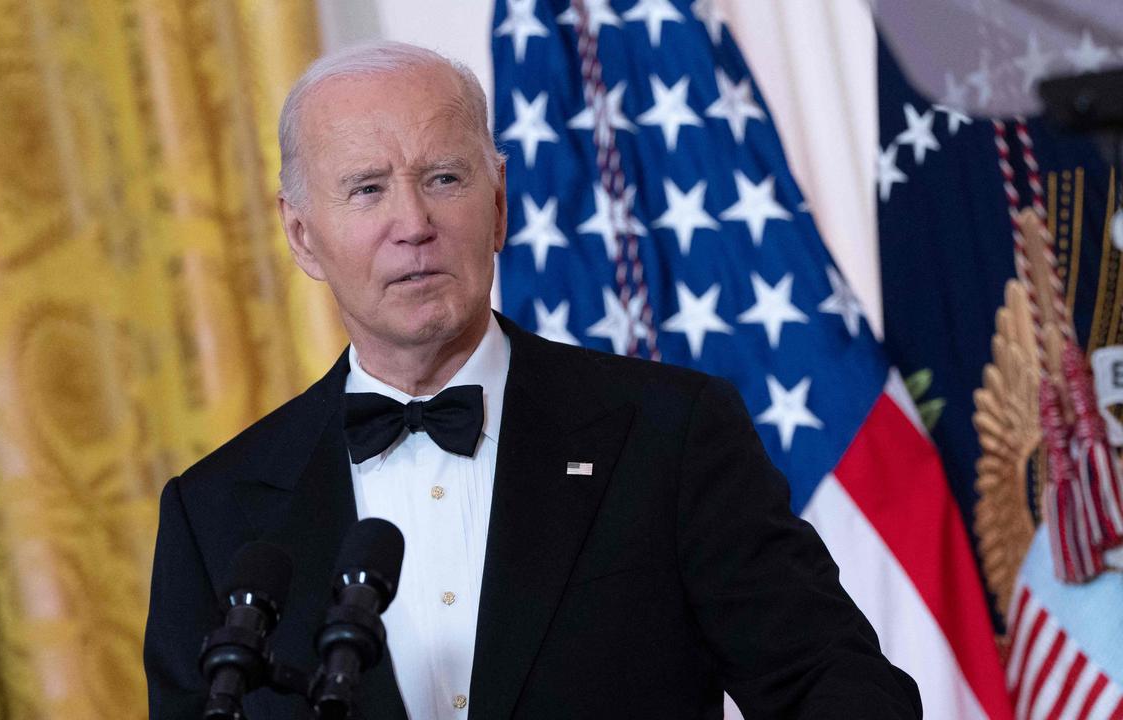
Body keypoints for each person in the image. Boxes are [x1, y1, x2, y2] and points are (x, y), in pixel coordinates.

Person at [143, 41, 922, 720]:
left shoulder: (669, 435)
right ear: (302, 234)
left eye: (444, 177)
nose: (413, 222)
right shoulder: (213, 516)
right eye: (367, 188)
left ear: (500, 203)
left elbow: (836, 683)